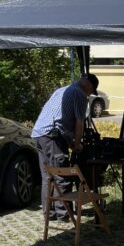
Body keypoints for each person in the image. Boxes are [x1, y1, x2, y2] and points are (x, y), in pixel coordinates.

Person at [32, 73, 99, 222]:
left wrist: (69, 141)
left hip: (38, 134)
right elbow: (79, 123)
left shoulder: (61, 90)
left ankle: (49, 213)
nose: (89, 95)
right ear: (89, 86)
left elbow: (60, 118)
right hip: (52, 136)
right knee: (62, 175)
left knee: (48, 177)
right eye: (91, 91)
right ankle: (63, 214)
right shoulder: (80, 94)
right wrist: (77, 144)